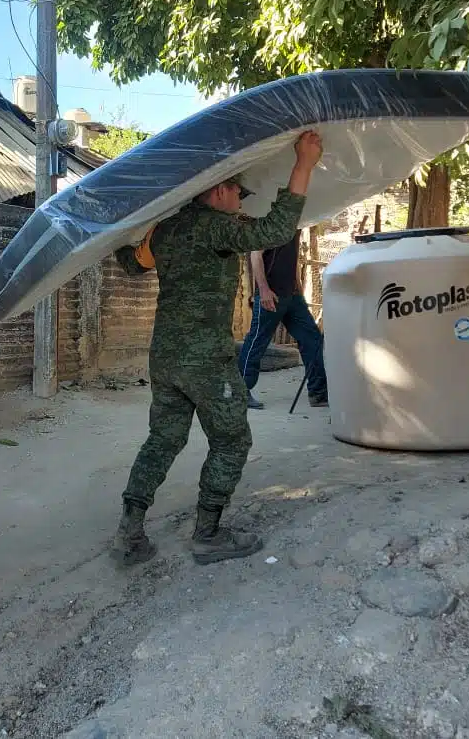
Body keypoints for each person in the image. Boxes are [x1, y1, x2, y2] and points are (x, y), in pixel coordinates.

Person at [111, 131, 324, 567]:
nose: (241, 202)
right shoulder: (213, 227)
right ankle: (207, 534)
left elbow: (132, 263)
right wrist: (304, 163)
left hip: (166, 357)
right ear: (219, 190)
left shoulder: (165, 231)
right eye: (239, 194)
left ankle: (129, 532)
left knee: (163, 439)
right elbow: (276, 230)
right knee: (232, 440)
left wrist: (116, 232)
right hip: (204, 360)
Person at [239, 231, 329, 410]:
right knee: (257, 341)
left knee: (312, 339)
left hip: (292, 296)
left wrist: (299, 290)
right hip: (271, 295)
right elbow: (256, 255)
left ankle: (318, 393)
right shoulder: (273, 224)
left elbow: (292, 261)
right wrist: (263, 290)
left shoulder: (296, 226)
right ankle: (240, 392)